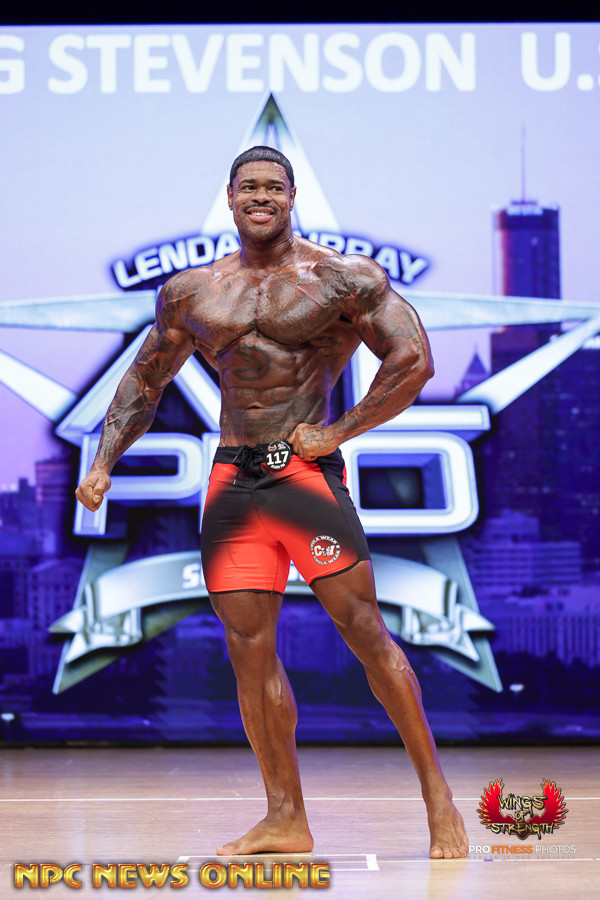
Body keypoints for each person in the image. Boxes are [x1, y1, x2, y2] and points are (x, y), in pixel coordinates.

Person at [76, 146, 469, 859]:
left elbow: (413, 360)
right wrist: (103, 462)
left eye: (274, 187)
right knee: (249, 655)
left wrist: (338, 432)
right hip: (233, 482)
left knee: (365, 633)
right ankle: (286, 817)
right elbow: (145, 381)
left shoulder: (342, 278)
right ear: (229, 198)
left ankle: (438, 800)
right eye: (248, 187)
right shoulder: (192, 293)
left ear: (292, 197)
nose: (261, 197)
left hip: (303, 477)